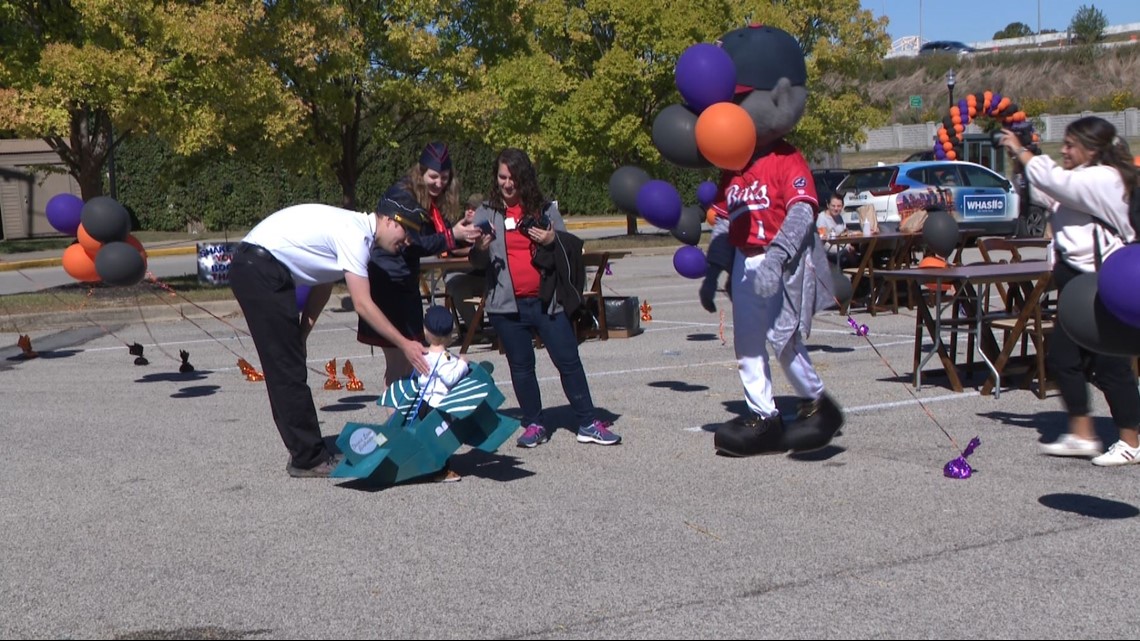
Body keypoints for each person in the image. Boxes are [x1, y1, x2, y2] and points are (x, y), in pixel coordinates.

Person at [699, 24, 844, 456]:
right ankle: (763, 415)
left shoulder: (786, 158)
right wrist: (714, 270)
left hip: (782, 262)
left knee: (783, 341)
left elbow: (803, 208)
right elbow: (725, 220)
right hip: (746, 262)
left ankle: (819, 404)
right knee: (746, 342)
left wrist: (779, 257)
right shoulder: (734, 168)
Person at [229, 201, 428, 478]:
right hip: (260, 269)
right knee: (286, 370)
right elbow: (363, 304)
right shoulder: (356, 235)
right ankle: (308, 459)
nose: (407, 242)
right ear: (391, 221)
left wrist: (302, 334)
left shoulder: (357, 234)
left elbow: (322, 284)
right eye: (407, 233)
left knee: (289, 364)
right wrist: (406, 344)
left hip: (261, 268)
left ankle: (304, 452)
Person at [997, 116, 1140, 466]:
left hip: (1104, 283)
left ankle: (1131, 441)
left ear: (1091, 149)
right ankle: (1082, 433)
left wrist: (1024, 151)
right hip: (1078, 283)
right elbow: (1048, 190)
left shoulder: (1105, 178)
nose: (1063, 150)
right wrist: (1021, 157)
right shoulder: (1081, 180)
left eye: (1070, 144)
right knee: (1063, 357)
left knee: (1111, 365)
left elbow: (1054, 181)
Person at [469, 147, 621, 448]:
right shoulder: (487, 212)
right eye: (502, 177)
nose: (507, 184)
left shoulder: (545, 210)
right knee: (521, 367)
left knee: (568, 361)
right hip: (506, 307)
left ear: (524, 178)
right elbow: (475, 262)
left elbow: (571, 248)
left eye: (513, 177)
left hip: (546, 301)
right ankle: (534, 423)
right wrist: (481, 248)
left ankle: (588, 422)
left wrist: (553, 240)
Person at [358, 142, 480, 387]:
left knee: (409, 363)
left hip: (406, 283)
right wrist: (451, 236)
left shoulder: (432, 199)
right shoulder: (402, 195)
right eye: (433, 177)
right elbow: (411, 242)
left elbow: (436, 236)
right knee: (399, 362)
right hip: (388, 283)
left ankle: (401, 419)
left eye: (444, 178)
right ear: (420, 172)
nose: (439, 183)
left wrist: (463, 231)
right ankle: (395, 422)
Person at [414, 305, 471, 482]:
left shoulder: (423, 355)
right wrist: (462, 363)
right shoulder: (445, 358)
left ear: (425, 331)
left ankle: (425, 463)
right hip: (439, 405)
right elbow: (450, 377)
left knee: (427, 436)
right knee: (442, 439)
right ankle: (442, 470)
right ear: (449, 334)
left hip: (423, 403)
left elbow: (420, 378)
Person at [445, 193, 490, 334]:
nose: (469, 211)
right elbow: (450, 251)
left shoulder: (489, 228)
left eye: (474, 208)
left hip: (486, 277)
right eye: (468, 208)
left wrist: (473, 249)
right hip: (466, 274)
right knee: (455, 283)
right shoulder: (459, 229)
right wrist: (471, 249)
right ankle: (475, 330)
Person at [816, 194, 858, 268]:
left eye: (839, 206)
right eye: (833, 206)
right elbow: (823, 240)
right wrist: (846, 248)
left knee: (860, 252)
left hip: (841, 248)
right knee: (848, 256)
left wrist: (849, 245)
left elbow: (844, 233)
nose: (836, 208)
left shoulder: (839, 218)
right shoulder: (822, 218)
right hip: (828, 251)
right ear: (828, 205)